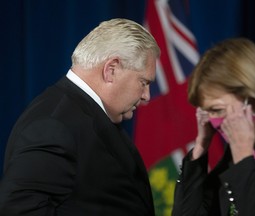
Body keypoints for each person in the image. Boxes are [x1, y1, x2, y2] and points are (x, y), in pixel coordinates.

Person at [0, 18, 160, 216]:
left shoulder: (86, 114)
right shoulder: (54, 126)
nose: (147, 95)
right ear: (112, 69)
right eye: (143, 82)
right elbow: (19, 210)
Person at [172, 38, 255, 216]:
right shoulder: (236, 151)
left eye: (217, 110)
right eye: (206, 111)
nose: (211, 121)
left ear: (253, 98)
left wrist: (243, 157)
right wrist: (201, 146)